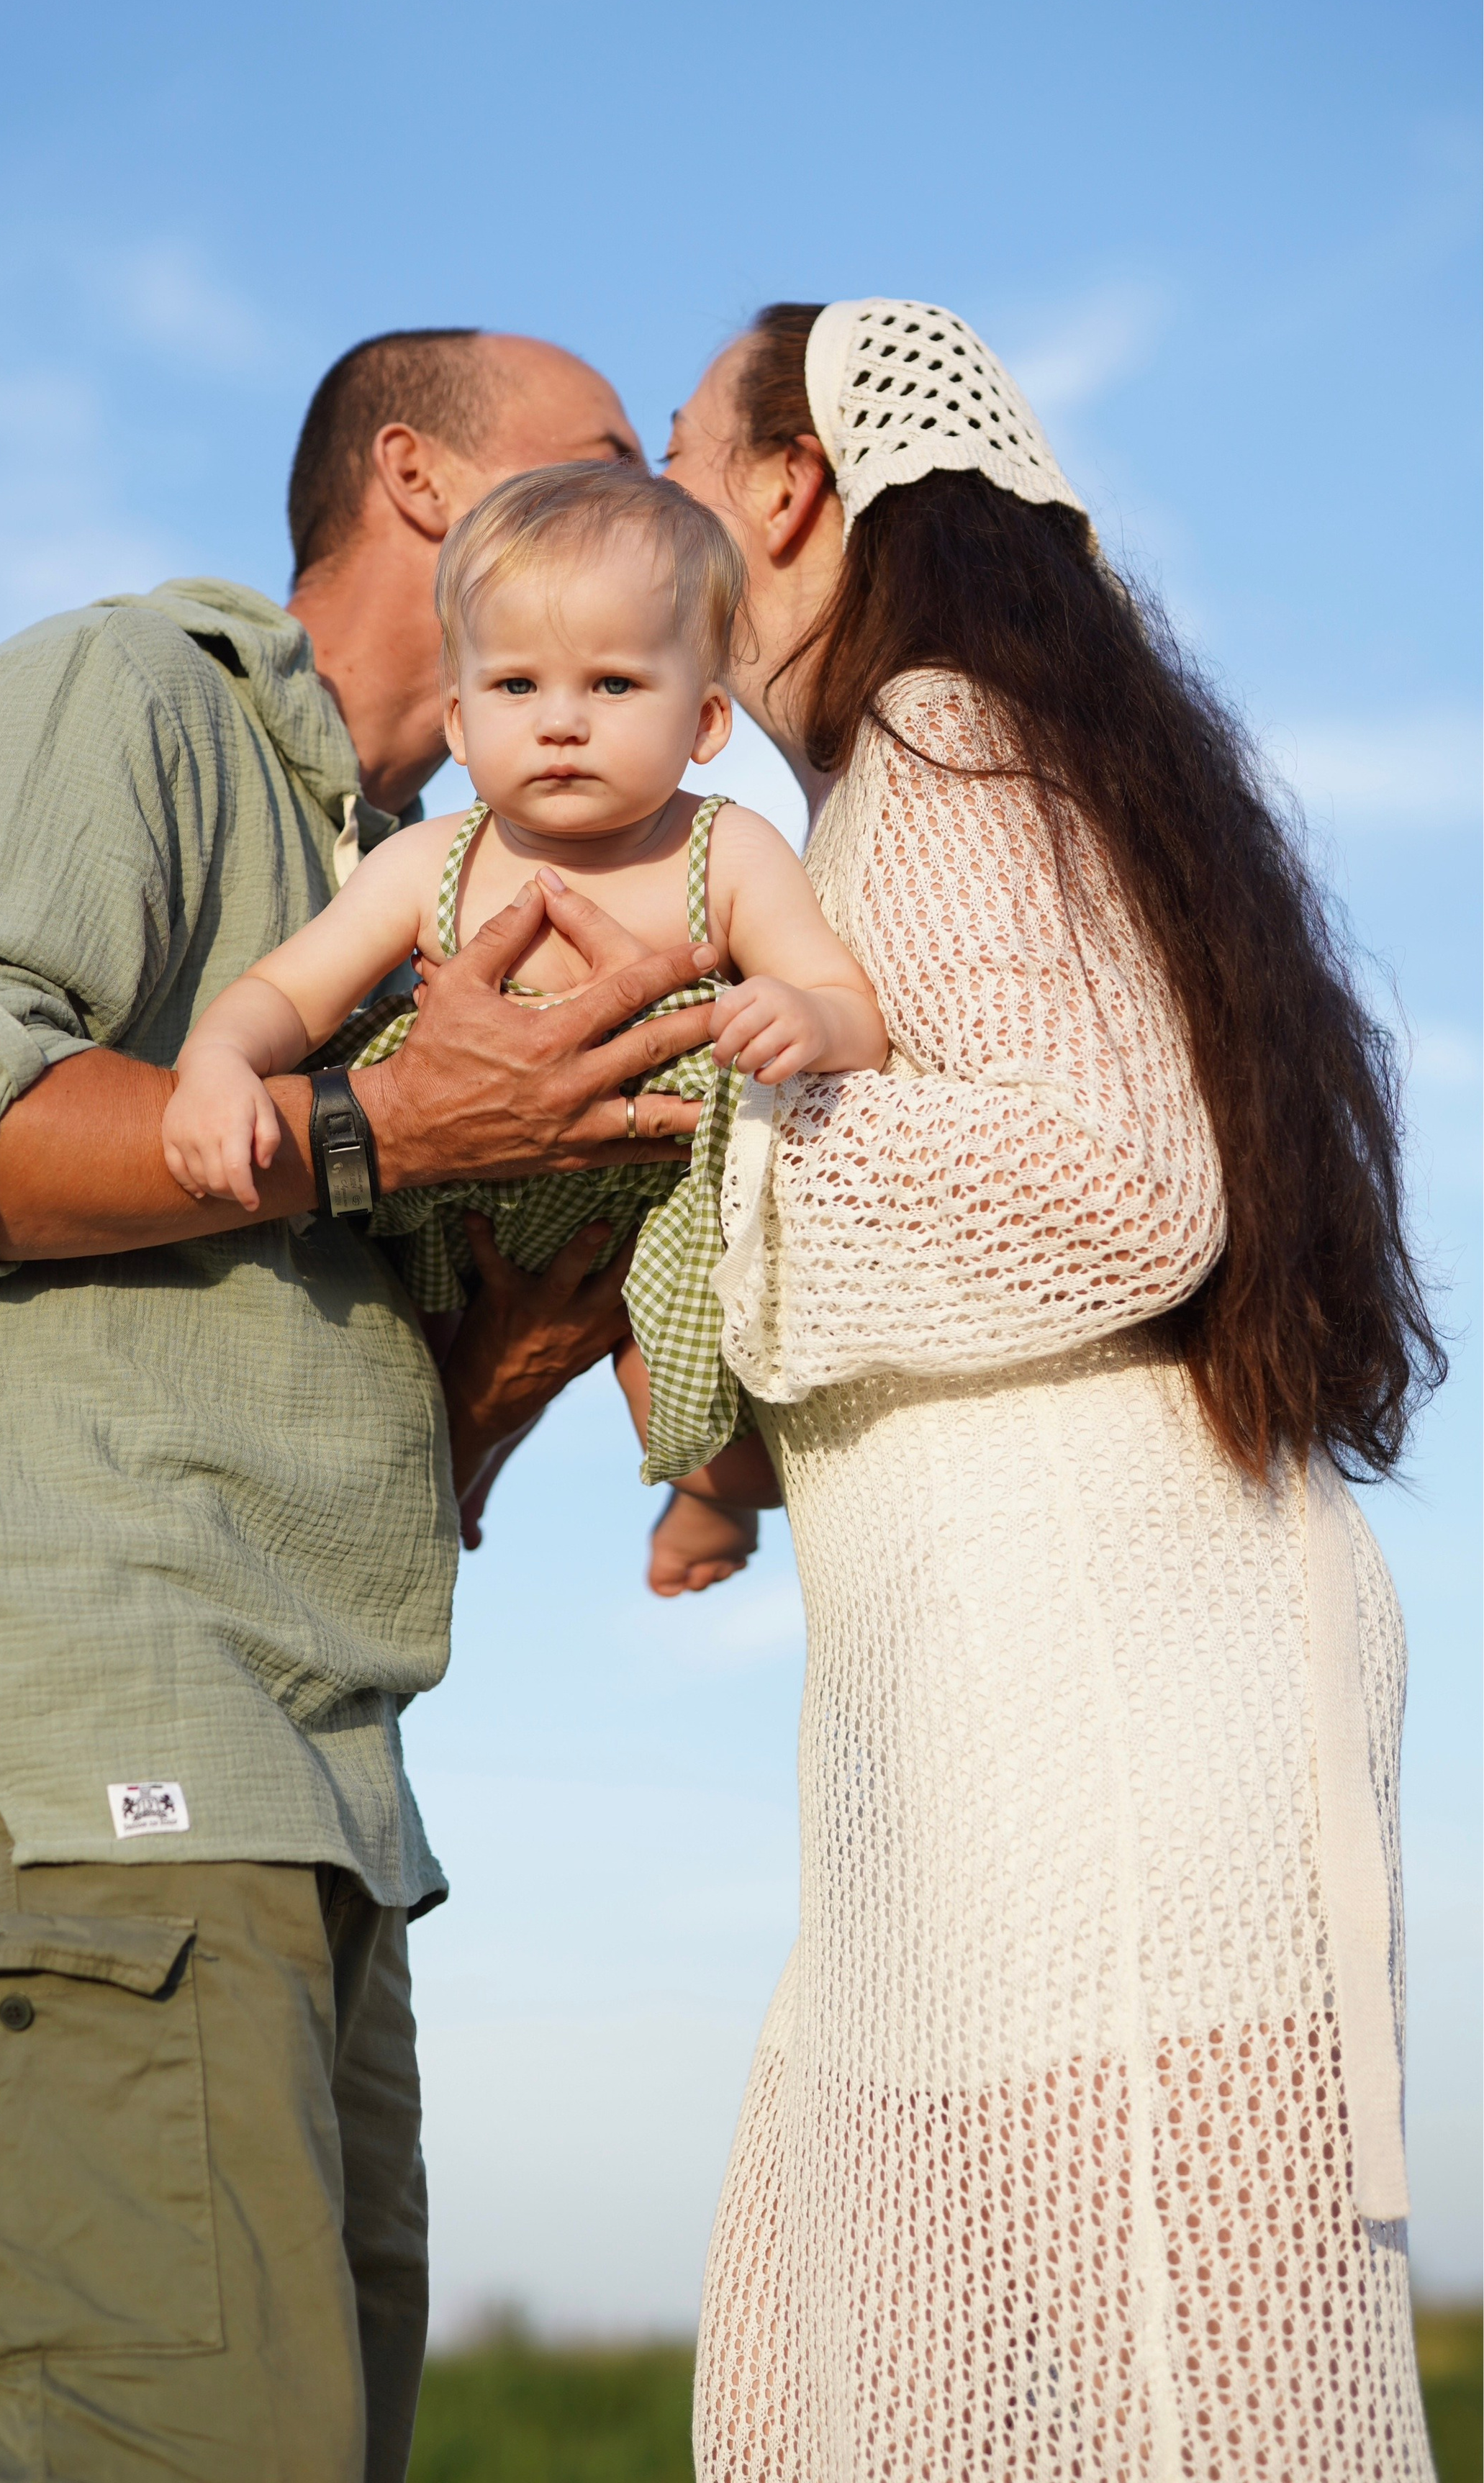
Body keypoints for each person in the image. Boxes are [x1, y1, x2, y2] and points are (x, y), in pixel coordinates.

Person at [0, 327, 720, 2483]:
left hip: (316, 1815)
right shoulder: (126, 694)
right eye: (617, 461)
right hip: (100, 1785)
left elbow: (355, 1407)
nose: (674, 518)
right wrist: (378, 1131)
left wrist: (540, 1335)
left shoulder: (432, 886)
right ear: (425, 486)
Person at [661, 299, 1445, 2479]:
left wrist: (701, 1155)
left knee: (1171, 2403)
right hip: (1036, 1742)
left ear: (794, 488)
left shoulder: (936, 742)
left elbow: (1117, 1194)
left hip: (1111, 1768)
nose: (644, 513)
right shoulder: (948, 765)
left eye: (675, 453)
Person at [160, 461, 884, 1484]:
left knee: (706, 1435)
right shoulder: (425, 863)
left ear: (707, 722)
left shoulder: (727, 852)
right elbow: (288, 992)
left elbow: (854, 1012)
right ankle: (458, 1483)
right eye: (516, 686)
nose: (561, 721)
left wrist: (802, 1013)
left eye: (615, 684)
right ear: (460, 720)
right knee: (395, 1373)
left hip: (655, 1205)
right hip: (448, 1203)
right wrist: (219, 1065)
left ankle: (710, 1500)